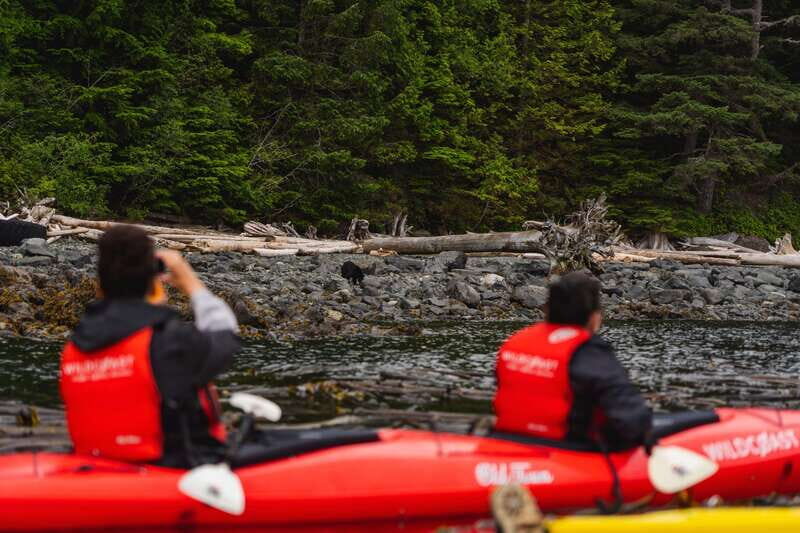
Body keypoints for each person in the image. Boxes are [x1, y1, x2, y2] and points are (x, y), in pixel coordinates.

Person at [60, 225, 240, 468]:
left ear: (100, 285)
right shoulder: (168, 341)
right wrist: (189, 281)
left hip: (96, 463)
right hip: (171, 466)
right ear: (152, 283)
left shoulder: (76, 345)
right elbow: (225, 335)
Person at [493, 272, 651, 450]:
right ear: (593, 317)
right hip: (562, 450)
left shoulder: (516, 341)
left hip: (506, 440)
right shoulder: (588, 353)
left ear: (547, 310)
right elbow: (633, 423)